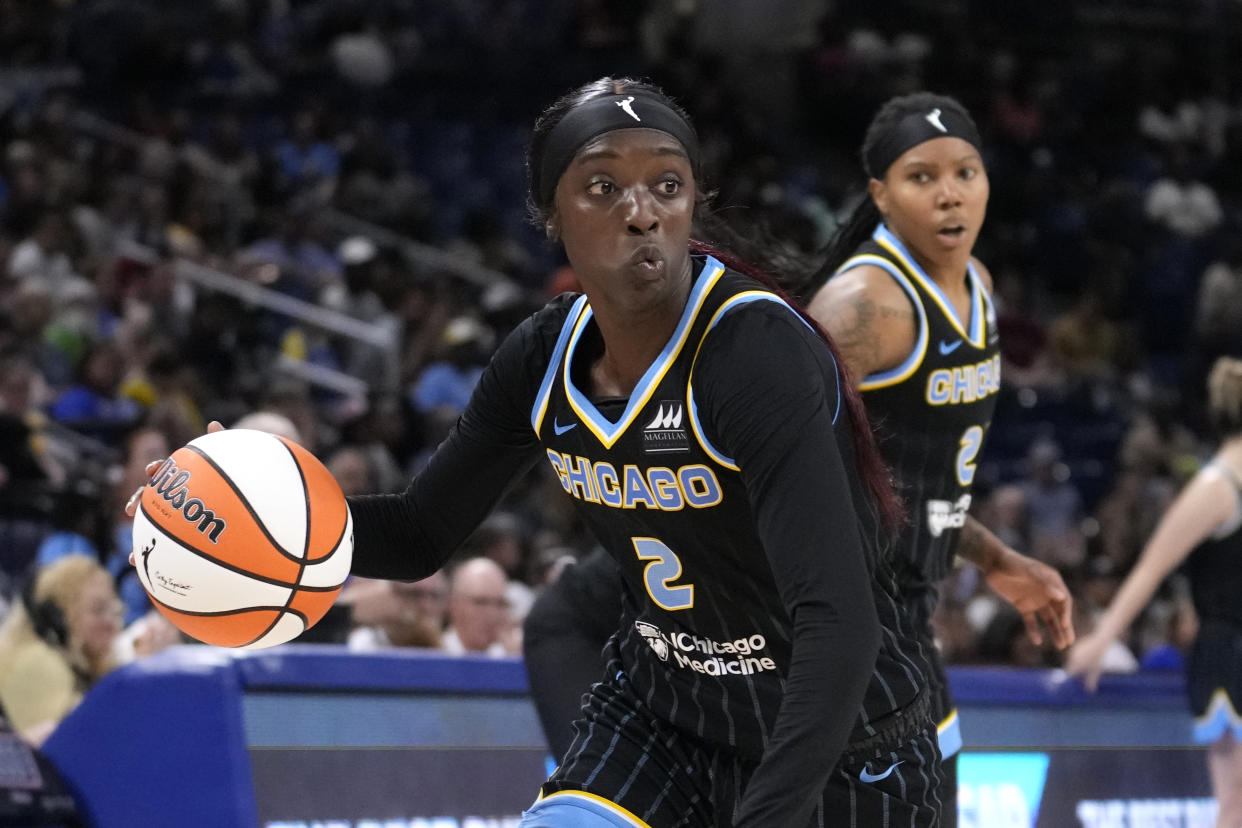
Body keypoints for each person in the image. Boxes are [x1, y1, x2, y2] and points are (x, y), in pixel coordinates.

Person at [134, 77, 943, 826]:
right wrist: (246, 518)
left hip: (842, 744)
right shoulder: (543, 356)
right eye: (602, 187)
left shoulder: (752, 352)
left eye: (668, 185)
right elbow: (419, 535)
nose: (641, 211)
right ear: (552, 217)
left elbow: (838, 623)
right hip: (662, 719)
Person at [798, 91, 1076, 823]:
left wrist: (995, 559)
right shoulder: (866, 304)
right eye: (922, 177)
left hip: (909, 607)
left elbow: (920, 483)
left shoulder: (980, 288)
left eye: (966, 172)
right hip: (850, 619)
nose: (950, 193)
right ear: (881, 196)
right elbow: (766, 459)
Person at [1066, 356, 1242, 828]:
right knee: (1237, 805)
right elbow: (1150, 568)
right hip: (1229, 652)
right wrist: (1103, 640)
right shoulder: (1216, 488)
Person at [0, 554, 123, 746]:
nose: (112, 623)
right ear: (57, 619)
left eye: (114, 609)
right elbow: (76, 751)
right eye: (97, 610)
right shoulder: (35, 661)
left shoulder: (83, 664)